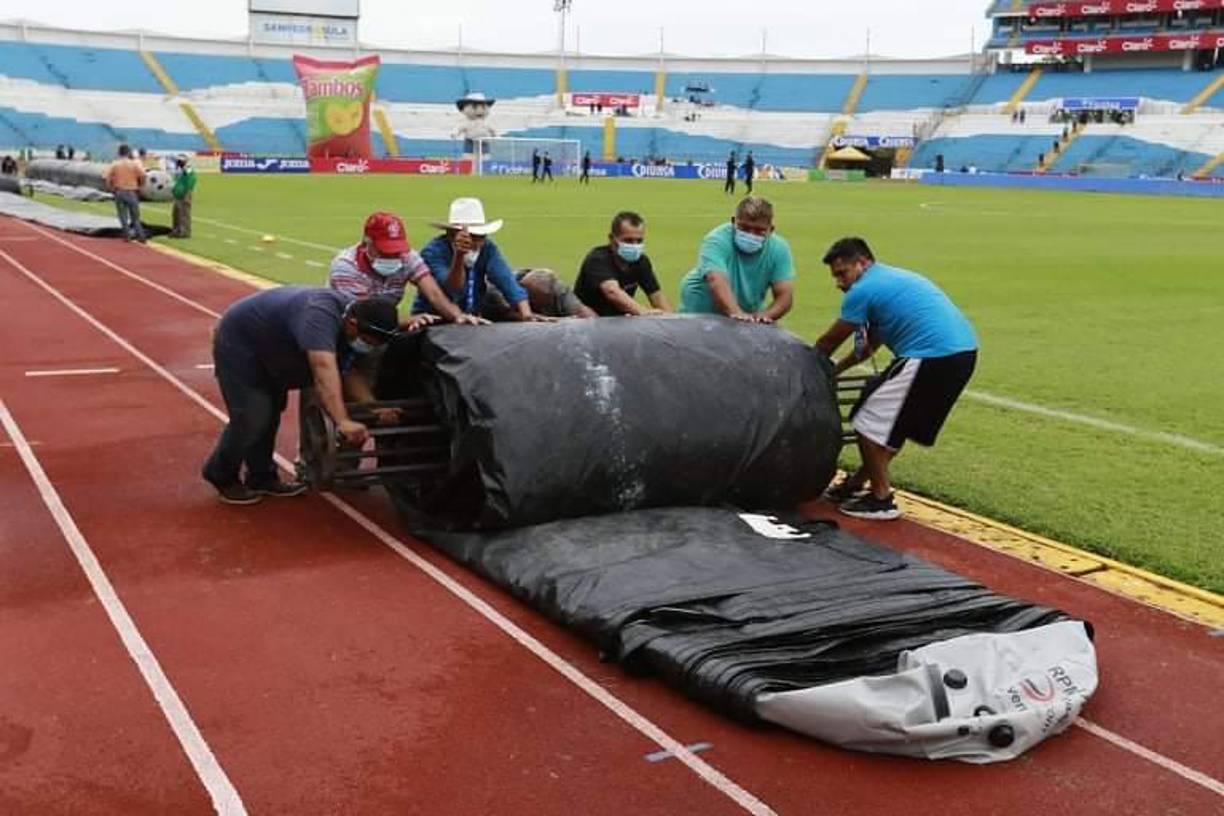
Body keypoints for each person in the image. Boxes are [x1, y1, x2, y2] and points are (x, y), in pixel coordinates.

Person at [815, 237, 978, 521]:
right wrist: (835, 370)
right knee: (893, 426)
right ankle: (857, 484)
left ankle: (881, 499)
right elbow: (868, 346)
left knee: (866, 419)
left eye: (842, 273)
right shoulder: (887, 280)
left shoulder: (863, 290)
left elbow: (829, 341)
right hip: (961, 354)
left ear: (862, 263)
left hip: (932, 355)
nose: (839, 283)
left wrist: (807, 368)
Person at [202, 289, 401, 505]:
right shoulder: (320, 317)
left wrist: (373, 407)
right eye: (369, 341)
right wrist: (342, 420)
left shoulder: (358, 323)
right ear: (352, 324)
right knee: (252, 416)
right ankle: (220, 474)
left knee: (270, 413)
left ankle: (262, 477)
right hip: (240, 344)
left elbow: (349, 371)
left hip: (275, 349)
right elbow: (323, 369)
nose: (370, 346)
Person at [330, 211, 485, 326]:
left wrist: (458, 316)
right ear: (367, 243)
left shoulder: (407, 257)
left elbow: (434, 294)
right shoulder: (346, 268)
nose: (392, 256)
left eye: (396, 251)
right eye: (385, 251)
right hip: (346, 327)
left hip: (384, 326)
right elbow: (365, 317)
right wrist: (408, 321)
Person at [412, 197, 543, 322]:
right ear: (452, 234)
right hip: (436, 319)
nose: (478, 243)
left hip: (472, 316)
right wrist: (459, 256)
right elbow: (453, 288)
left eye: (482, 236)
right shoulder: (433, 252)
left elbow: (505, 278)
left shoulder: (487, 248)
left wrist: (526, 313)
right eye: (473, 237)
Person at [678, 196, 794, 323]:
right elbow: (716, 279)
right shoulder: (716, 240)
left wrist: (765, 316)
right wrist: (736, 313)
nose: (750, 234)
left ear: (770, 230)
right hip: (700, 311)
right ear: (734, 221)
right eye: (744, 228)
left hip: (747, 312)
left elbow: (785, 295)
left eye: (758, 230)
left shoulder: (779, 249)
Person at [575, 211, 671, 317]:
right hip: (588, 320)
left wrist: (671, 319)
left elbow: (656, 296)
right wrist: (642, 311)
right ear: (612, 239)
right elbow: (612, 292)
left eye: (639, 241)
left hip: (619, 321)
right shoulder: (597, 259)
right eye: (628, 241)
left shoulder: (641, 261)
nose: (634, 245)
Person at [483, 269, 595, 320]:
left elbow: (582, 311)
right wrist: (561, 321)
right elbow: (515, 315)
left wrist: (595, 324)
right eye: (533, 304)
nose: (540, 309)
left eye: (543, 305)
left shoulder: (557, 289)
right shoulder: (497, 290)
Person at [104, 144, 146, 243]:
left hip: (119, 191)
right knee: (135, 217)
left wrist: (110, 188)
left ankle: (127, 236)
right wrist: (141, 186)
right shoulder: (134, 164)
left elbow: (107, 177)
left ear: (119, 152)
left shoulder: (115, 164)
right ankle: (141, 236)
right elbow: (143, 175)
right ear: (128, 152)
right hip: (132, 191)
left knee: (123, 216)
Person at [169, 154, 196, 239]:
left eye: (179, 161)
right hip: (177, 194)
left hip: (184, 194)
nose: (178, 163)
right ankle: (176, 230)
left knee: (184, 214)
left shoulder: (188, 169)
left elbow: (192, 180)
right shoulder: (179, 170)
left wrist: (188, 193)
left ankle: (185, 232)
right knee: (176, 214)